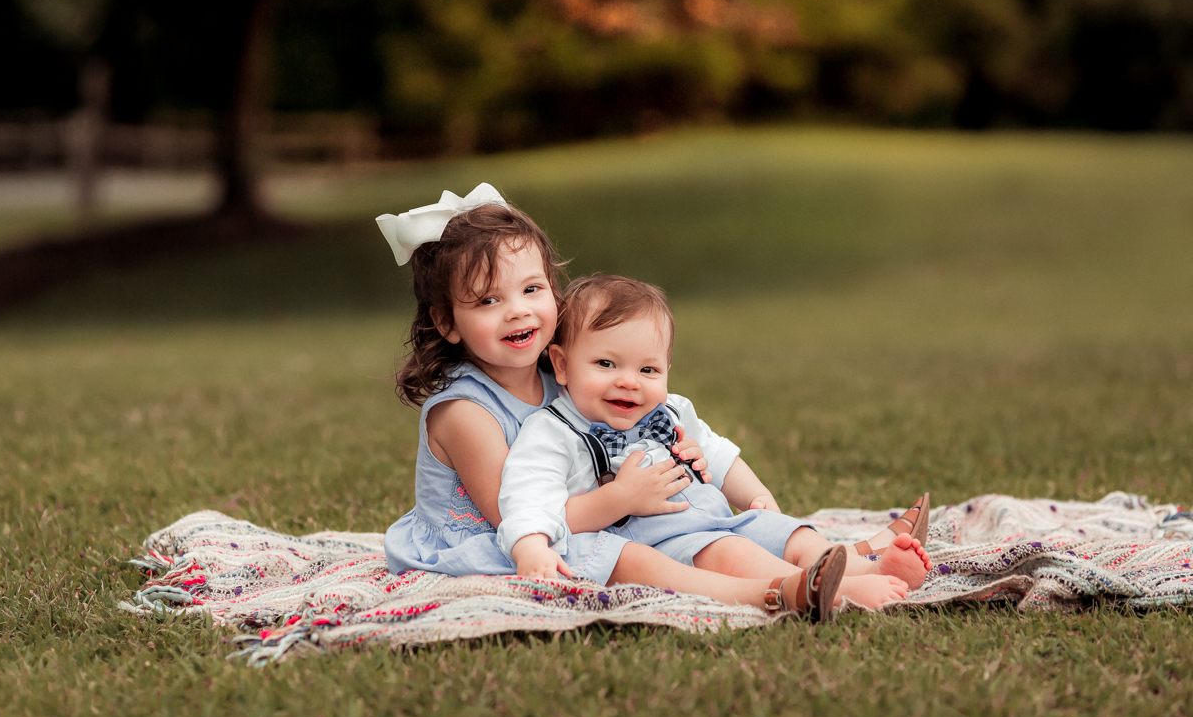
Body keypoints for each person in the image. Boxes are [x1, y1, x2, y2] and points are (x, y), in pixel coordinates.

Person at [378, 185, 920, 619]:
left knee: (726, 528)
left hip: (605, 517)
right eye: (489, 300)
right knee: (629, 555)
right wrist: (621, 499)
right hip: (513, 540)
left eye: (532, 289)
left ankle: (861, 563)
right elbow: (520, 519)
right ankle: (771, 593)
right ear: (447, 321)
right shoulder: (467, 414)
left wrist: (684, 460)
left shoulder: (564, 374)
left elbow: (659, 427)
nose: (518, 311)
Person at [497, 275, 933, 612]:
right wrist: (533, 548)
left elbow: (719, 454)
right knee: (734, 552)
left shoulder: (670, 411)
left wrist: (757, 495)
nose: (628, 381)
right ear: (561, 364)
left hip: (714, 520)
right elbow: (528, 496)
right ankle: (832, 589)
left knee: (789, 531)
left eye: (648, 370)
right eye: (606, 363)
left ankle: (863, 565)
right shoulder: (552, 432)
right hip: (661, 544)